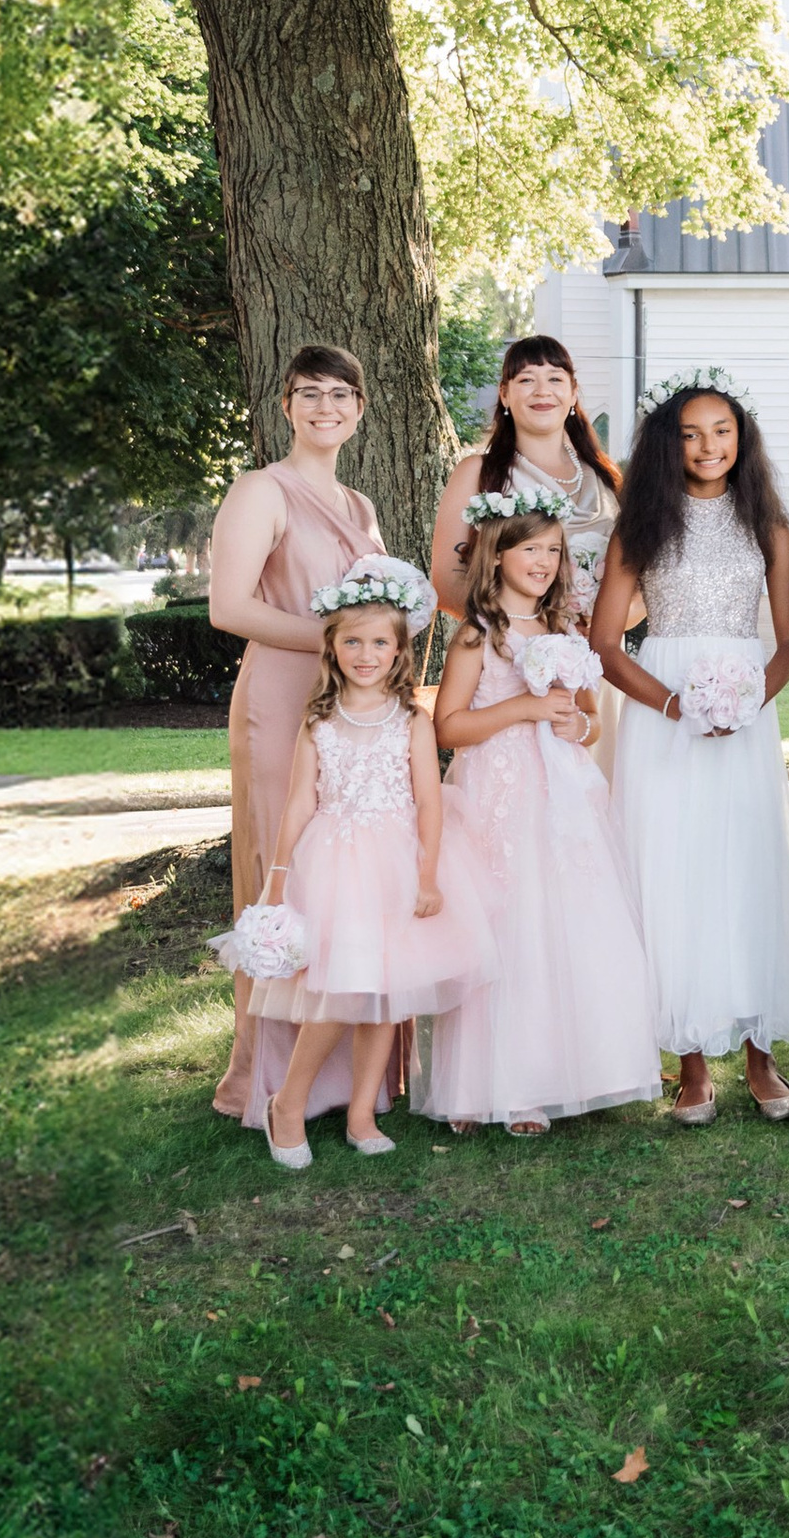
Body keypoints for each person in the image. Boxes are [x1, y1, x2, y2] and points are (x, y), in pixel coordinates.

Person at [593, 372, 789, 1128]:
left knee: (745, 868)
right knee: (672, 869)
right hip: (665, 717)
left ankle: (759, 1055)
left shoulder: (768, 525)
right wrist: (674, 703)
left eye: (721, 430)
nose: (708, 445)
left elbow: (788, 643)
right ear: (669, 443)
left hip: (744, 719)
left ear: (740, 438)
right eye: (690, 433)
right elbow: (605, 644)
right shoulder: (642, 525)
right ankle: (689, 1065)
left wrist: (750, 700)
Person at [231, 558, 493, 1168]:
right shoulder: (318, 720)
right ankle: (287, 1105)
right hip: (335, 864)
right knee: (344, 990)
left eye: (380, 642)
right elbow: (300, 802)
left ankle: (360, 1113)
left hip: (399, 862)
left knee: (387, 991)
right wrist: (277, 875)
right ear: (334, 648)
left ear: (400, 653)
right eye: (352, 641)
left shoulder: (412, 721)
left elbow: (429, 803)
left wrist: (427, 876)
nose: (366, 653)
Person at [418, 499, 660, 1134]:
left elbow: (587, 721)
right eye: (531, 550)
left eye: (553, 552)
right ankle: (489, 1085)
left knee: (569, 922)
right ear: (498, 554)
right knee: (508, 928)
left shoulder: (568, 633)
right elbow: (449, 726)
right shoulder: (478, 634)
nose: (544, 563)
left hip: (564, 794)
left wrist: (570, 721)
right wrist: (524, 709)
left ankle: (568, 1071)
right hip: (499, 793)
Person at [206, 342, 387, 1121]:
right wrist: (330, 641)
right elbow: (229, 607)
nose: (325, 408)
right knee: (285, 869)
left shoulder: (360, 509)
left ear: (359, 410)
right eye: (309, 395)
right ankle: (269, 1081)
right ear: (285, 407)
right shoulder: (260, 491)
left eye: (340, 396)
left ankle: (349, 1080)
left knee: (346, 872)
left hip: (351, 710)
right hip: (282, 698)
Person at [430, 337, 624, 760]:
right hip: (510, 658)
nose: (542, 391)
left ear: (573, 393)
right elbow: (445, 581)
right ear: (504, 393)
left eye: (555, 379)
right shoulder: (479, 474)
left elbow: (638, 581)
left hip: (596, 661)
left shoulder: (606, 479)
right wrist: (528, 630)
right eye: (526, 379)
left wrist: (602, 630)